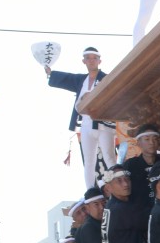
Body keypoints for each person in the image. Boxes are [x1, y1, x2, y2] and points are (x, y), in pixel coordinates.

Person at [46, 47, 115, 187]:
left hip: (103, 124)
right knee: (89, 160)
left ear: (99, 61)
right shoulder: (80, 80)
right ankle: (90, 190)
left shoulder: (107, 79)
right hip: (86, 124)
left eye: (94, 58)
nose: (91, 61)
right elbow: (66, 78)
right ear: (84, 61)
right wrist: (50, 73)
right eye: (88, 58)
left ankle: (117, 183)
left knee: (109, 157)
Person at [124, 124, 160, 208]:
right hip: (137, 213)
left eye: (155, 139)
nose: (151, 143)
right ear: (138, 143)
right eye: (147, 139)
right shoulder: (130, 165)